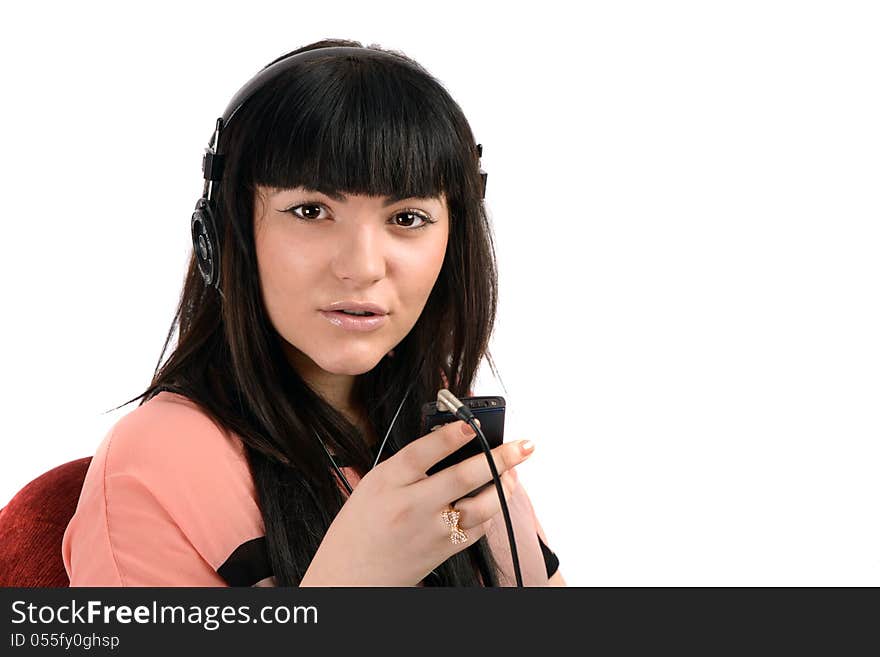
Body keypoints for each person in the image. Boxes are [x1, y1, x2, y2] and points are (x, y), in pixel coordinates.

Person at [62, 38, 565, 587]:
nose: (362, 266)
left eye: (409, 217)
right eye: (311, 210)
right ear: (225, 235)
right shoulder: (160, 458)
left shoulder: (442, 423)